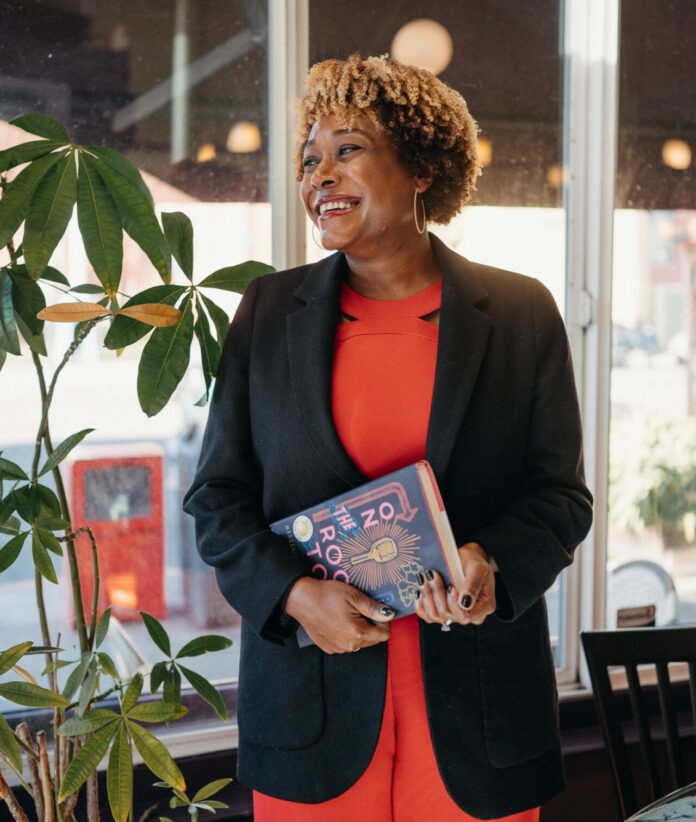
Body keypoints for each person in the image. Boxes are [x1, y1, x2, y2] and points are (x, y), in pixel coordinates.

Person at [183, 54, 593, 822]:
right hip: (312, 710)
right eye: (310, 159)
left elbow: (561, 496)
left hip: (478, 716)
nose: (320, 176)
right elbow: (218, 498)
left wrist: (493, 564)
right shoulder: (268, 314)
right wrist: (296, 597)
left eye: (348, 149)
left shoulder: (520, 312)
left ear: (419, 168)